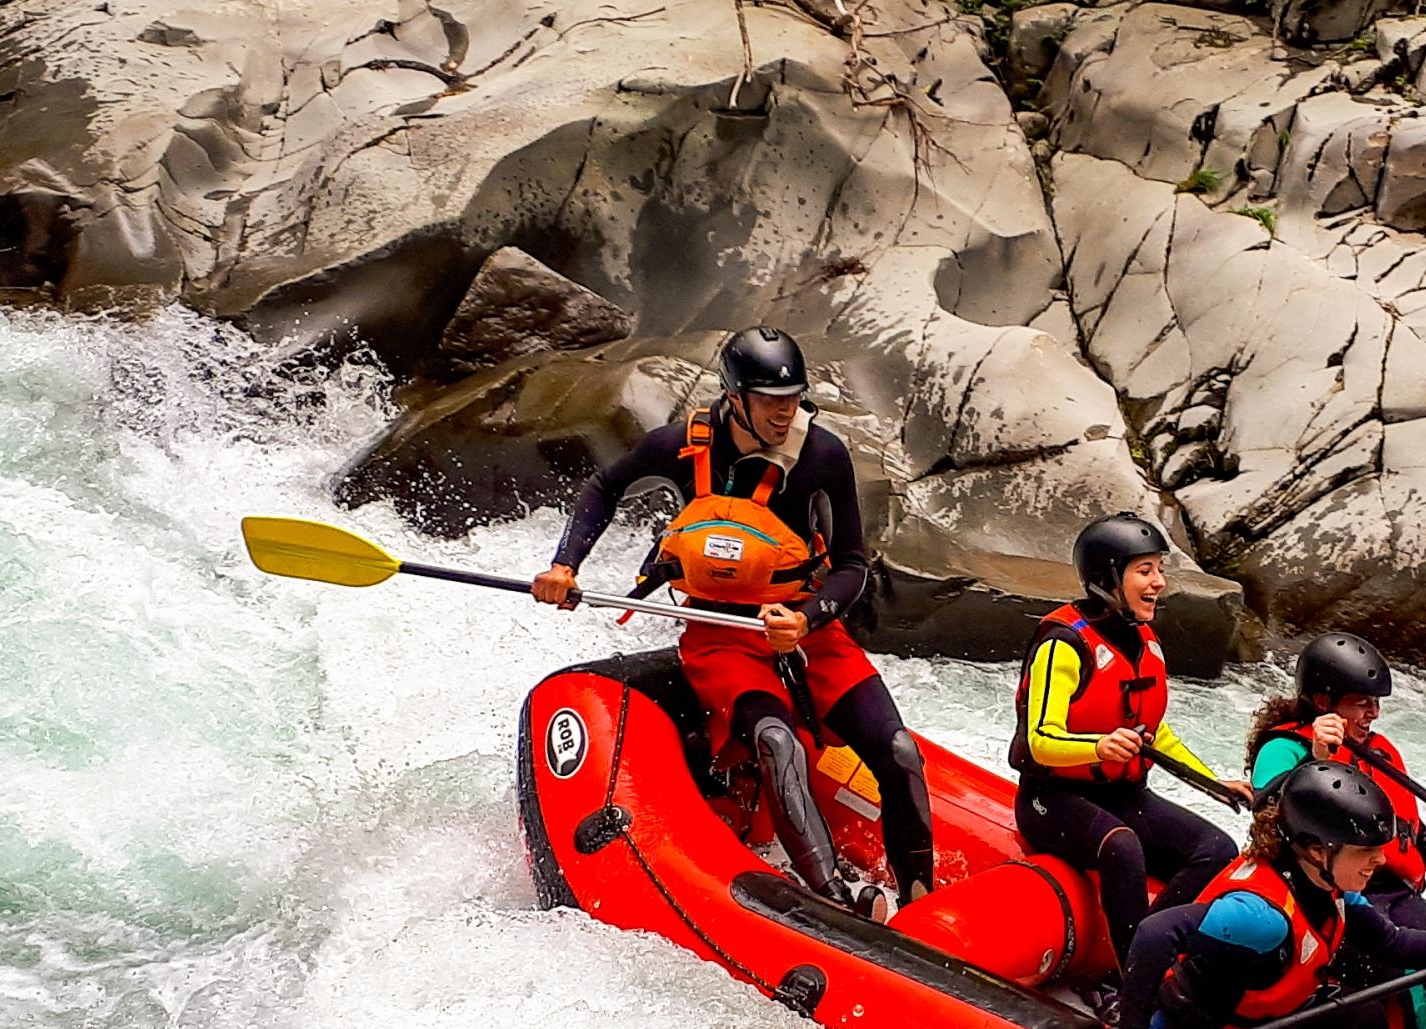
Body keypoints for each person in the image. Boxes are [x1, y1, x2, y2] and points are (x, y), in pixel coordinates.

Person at [532, 327, 935, 909]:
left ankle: (919, 896)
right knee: (777, 741)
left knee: (898, 751)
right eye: (771, 399)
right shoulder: (679, 445)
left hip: (808, 630)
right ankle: (836, 901)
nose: (785, 410)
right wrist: (564, 566)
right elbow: (604, 486)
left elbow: (851, 565)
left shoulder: (821, 456)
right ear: (735, 396)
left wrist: (806, 618)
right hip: (721, 636)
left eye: (793, 397)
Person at [1010, 513, 1247, 967]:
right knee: (1122, 845)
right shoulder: (1063, 644)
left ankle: (1151, 948)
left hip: (1123, 794)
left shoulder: (1145, 642)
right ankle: (1135, 976)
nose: (1159, 582)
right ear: (1107, 578)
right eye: (1145, 570)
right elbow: (1040, 741)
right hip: (1052, 799)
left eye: (1160, 568)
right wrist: (1097, 747)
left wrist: (1215, 785)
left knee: (1217, 850)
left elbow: (1157, 735)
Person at [1114, 760, 1408, 1029]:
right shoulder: (1261, 918)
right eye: (1366, 851)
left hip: (1255, 1022)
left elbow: (1393, 942)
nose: (1381, 860)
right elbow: (1154, 932)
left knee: (1362, 1017)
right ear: (1318, 849)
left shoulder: (1325, 884)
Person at [1244, 630, 1426, 978]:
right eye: (1362, 702)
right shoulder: (1284, 748)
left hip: (1398, 896)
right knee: (1409, 974)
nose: (1373, 713)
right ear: (1324, 702)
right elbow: (1266, 813)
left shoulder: (1380, 752)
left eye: (1376, 703)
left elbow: (1418, 847)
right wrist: (1313, 760)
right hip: (1339, 893)